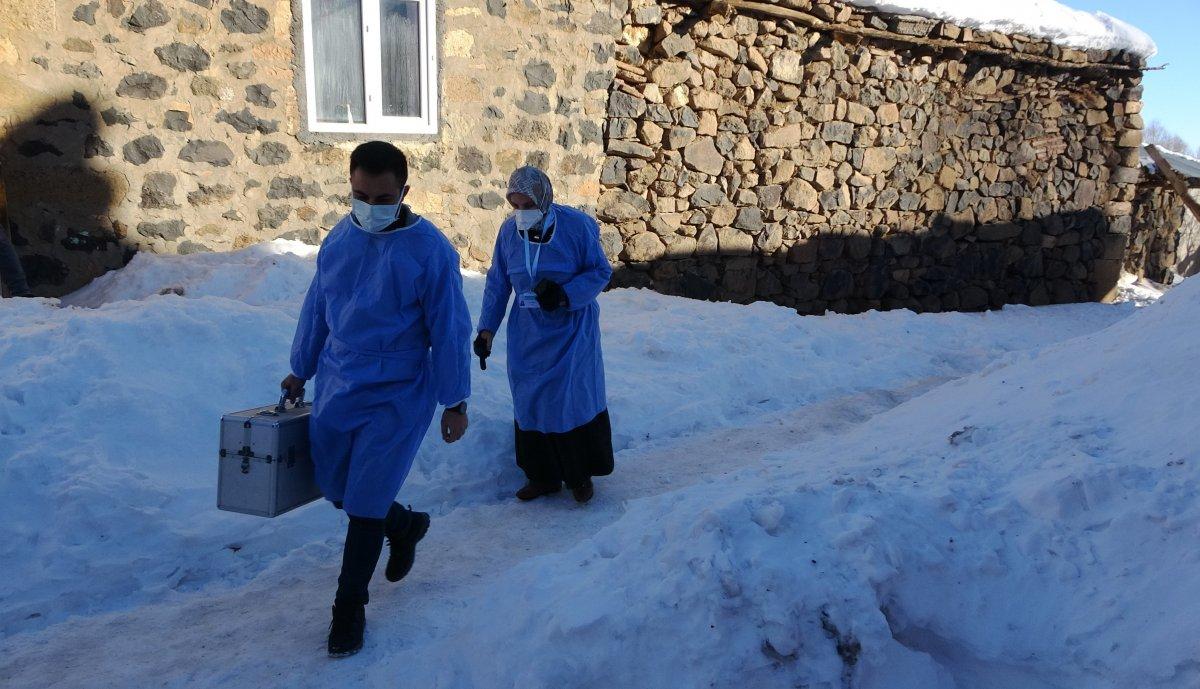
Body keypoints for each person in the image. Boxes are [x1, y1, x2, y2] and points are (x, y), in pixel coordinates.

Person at [280, 141, 472, 658]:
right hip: (340, 380)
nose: (370, 207)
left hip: (398, 389)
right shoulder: (339, 240)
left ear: (405, 192)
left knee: (364, 501)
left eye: (383, 198)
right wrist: (301, 367)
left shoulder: (429, 251)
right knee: (336, 485)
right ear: (350, 186)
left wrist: (455, 400)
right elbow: (318, 307)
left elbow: (450, 329)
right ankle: (405, 525)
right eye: (361, 196)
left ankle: (349, 608)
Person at [474, 166, 614, 504]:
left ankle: (580, 475)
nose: (521, 213)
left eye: (528, 205)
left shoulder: (576, 226)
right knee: (531, 401)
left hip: (571, 330)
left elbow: (600, 271)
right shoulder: (508, 233)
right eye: (515, 206)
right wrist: (486, 330)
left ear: (544, 199)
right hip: (528, 334)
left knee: (569, 400)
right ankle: (541, 476)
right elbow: (497, 283)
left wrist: (565, 294)